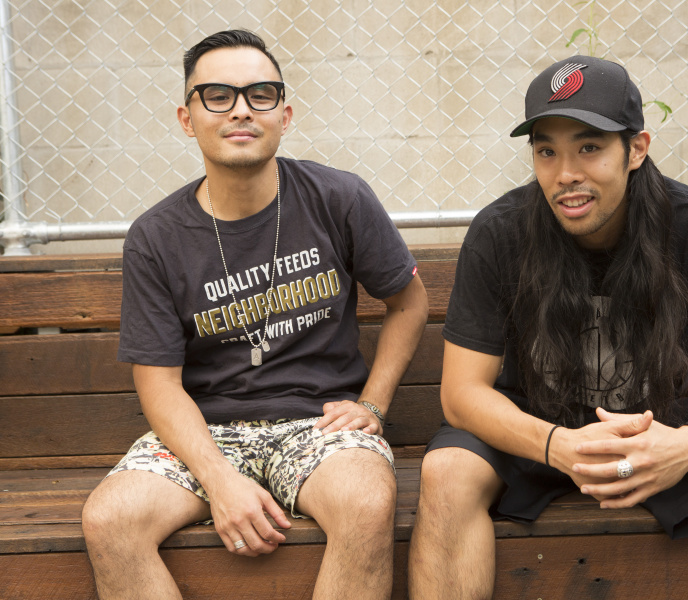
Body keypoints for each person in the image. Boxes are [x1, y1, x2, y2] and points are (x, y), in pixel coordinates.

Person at [408, 55, 688, 600]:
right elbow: (462, 393)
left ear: (637, 149)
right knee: (446, 473)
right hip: (535, 430)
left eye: (589, 147)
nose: (566, 174)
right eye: (546, 151)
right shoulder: (500, 232)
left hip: (661, 428)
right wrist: (556, 445)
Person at [81, 30, 428, 600]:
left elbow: (409, 301)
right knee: (110, 520)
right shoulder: (156, 237)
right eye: (217, 95)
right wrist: (220, 481)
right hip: (206, 432)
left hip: (319, 424)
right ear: (187, 119)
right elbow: (159, 383)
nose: (241, 109)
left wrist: (373, 404)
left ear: (284, 115)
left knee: (366, 501)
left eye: (260, 94)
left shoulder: (338, 197)